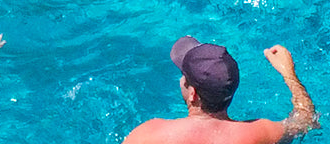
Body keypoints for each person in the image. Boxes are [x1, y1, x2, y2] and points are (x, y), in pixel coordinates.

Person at [121, 36, 319, 144]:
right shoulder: (257, 134)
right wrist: (288, 73)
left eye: (184, 76)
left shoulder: (150, 134)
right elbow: (307, 120)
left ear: (193, 94)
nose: (181, 79)